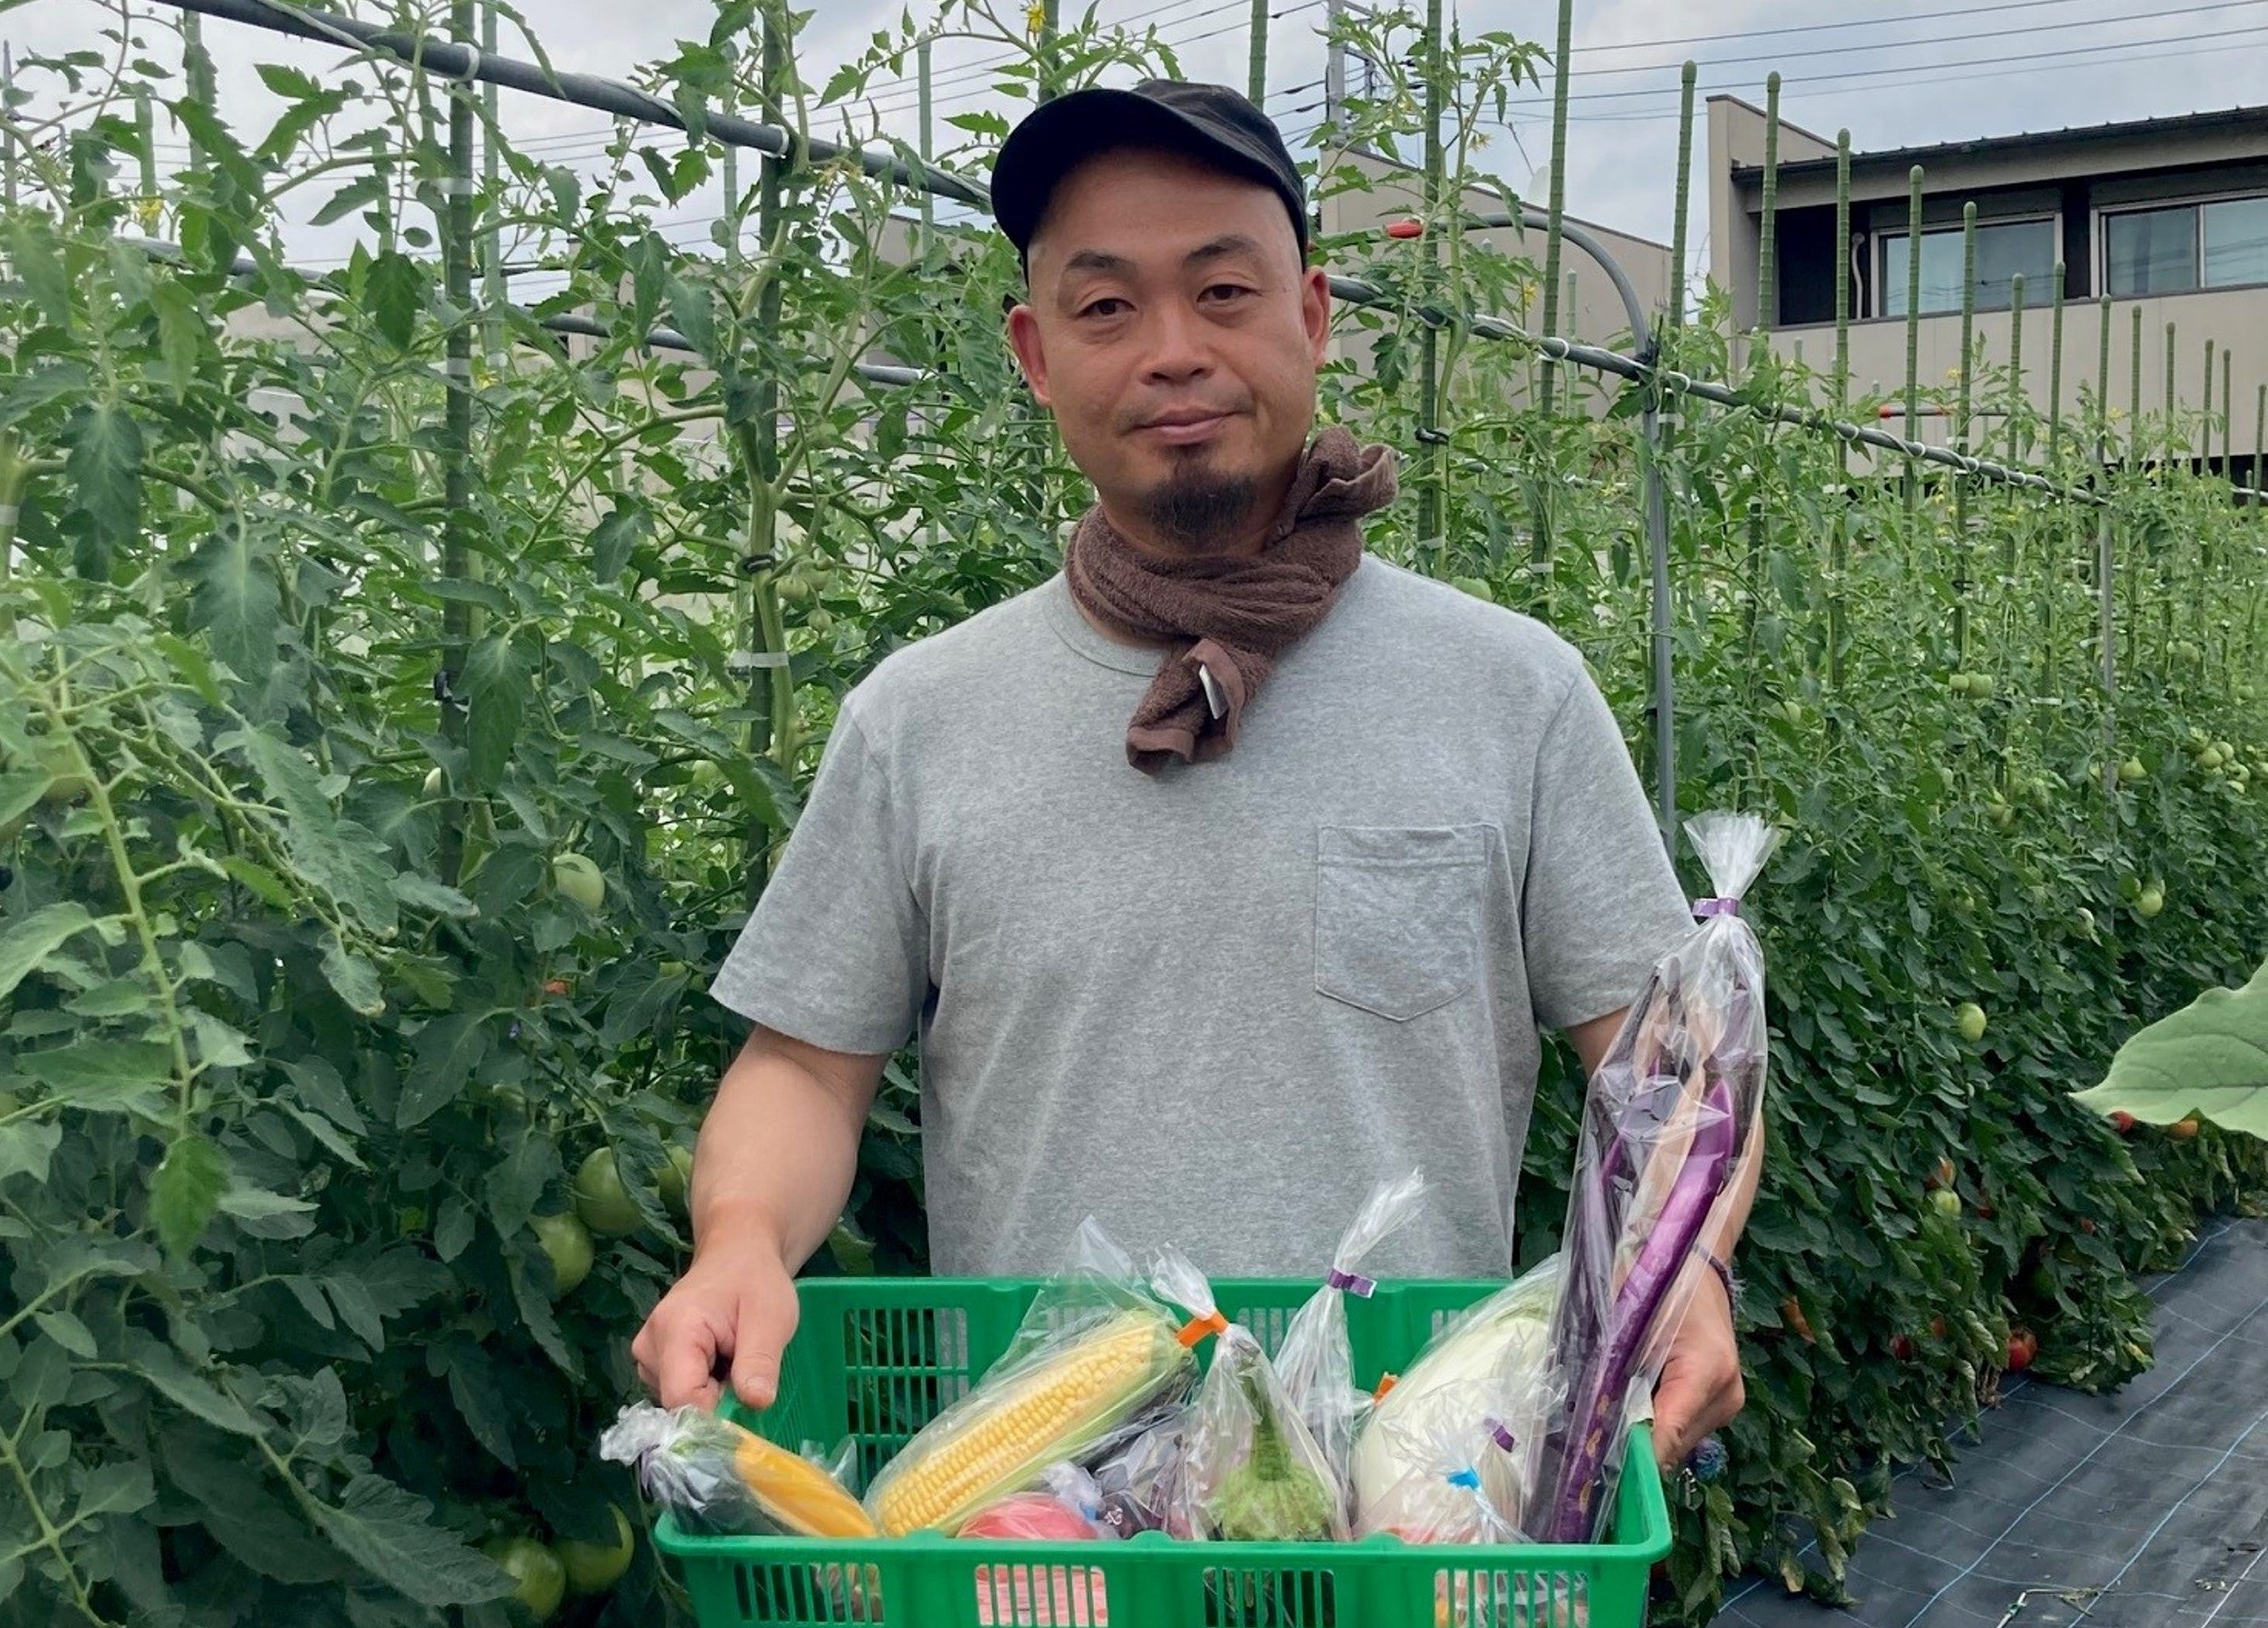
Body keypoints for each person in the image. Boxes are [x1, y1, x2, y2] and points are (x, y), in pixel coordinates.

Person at [632, 80, 1755, 1472]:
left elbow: (1665, 1069)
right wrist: (740, 1240)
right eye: (1107, 308)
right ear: (1036, 355)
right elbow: (805, 1064)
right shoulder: (922, 720)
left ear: (1314, 317)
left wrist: (1685, 1264)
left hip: (1409, 1509)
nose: (1174, 351)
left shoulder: (1509, 694)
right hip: (1041, 1539)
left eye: (1225, 290)